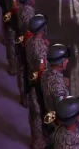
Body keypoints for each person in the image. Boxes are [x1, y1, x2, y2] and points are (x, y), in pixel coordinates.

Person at [24, 13, 51, 149]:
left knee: (34, 113)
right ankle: (39, 142)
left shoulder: (30, 40)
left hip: (31, 80)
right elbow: (42, 70)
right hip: (39, 86)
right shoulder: (40, 49)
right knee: (38, 114)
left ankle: (37, 140)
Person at [15, 0, 40, 109]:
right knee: (27, 73)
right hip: (27, 45)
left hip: (22, 42)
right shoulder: (29, 14)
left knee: (22, 71)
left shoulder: (21, 9)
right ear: (29, 0)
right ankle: (27, 99)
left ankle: (23, 97)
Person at [41, 43, 71, 140]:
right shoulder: (58, 86)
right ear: (60, 63)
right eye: (65, 59)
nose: (68, 61)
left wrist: (62, 81)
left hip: (48, 117)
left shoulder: (46, 73)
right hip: (57, 128)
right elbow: (62, 113)